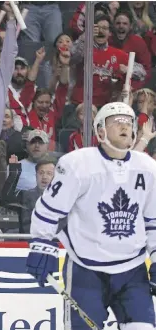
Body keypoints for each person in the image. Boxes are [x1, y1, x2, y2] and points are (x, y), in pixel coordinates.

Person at [26, 102, 156, 329]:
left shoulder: (148, 167)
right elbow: (49, 209)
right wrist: (41, 244)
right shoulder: (78, 164)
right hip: (84, 269)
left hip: (131, 270)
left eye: (128, 122)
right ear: (100, 130)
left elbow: (153, 220)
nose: (124, 126)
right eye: (116, 121)